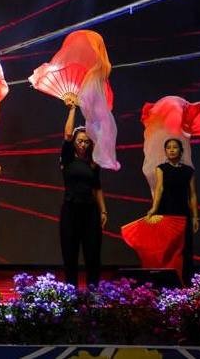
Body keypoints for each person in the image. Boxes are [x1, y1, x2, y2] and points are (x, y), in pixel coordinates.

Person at [60, 93, 108, 287]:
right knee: (70, 253)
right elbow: (67, 134)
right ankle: (71, 292)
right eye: (80, 141)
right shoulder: (68, 159)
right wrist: (73, 109)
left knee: (92, 253)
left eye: (86, 141)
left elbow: (97, 187)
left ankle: (93, 293)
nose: (83, 144)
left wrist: (103, 210)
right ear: (74, 142)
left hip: (90, 211)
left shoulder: (93, 163)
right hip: (71, 209)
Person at [144, 138, 199, 284]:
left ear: (181, 151)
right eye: (168, 147)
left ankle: (186, 281)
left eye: (175, 147)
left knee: (185, 247)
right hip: (166, 211)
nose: (172, 150)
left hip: (183, 212)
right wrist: (154, 208)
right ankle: (166, 281)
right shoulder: (161, 168)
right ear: (165, 151)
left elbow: (193, 194)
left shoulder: (188, 171)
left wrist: (195, 217)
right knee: (167, 247)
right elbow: (159, 189)